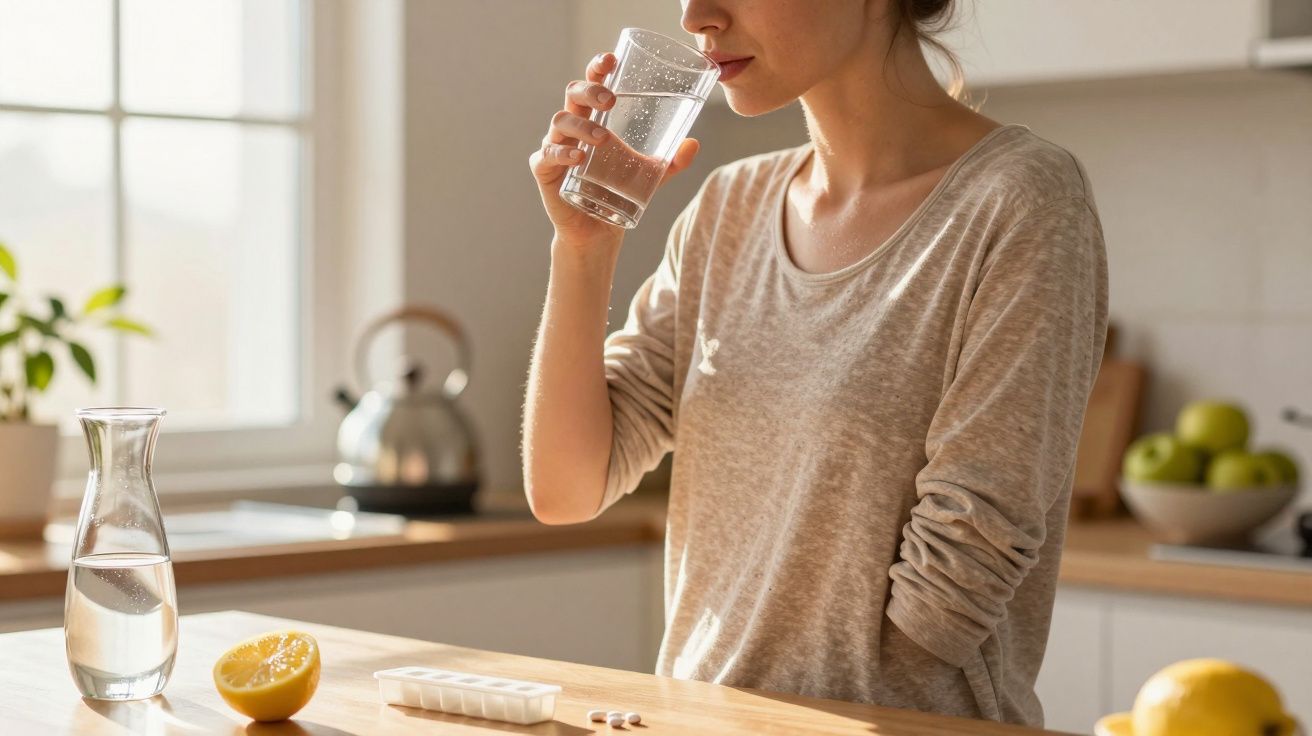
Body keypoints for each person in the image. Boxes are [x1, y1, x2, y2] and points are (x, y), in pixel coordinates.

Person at [523, 0, 1108, 727]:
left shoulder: (1021, 202)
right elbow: (566, 488)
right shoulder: (726, 210)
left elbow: (951, 598)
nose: (697, 14)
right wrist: (584, 247)